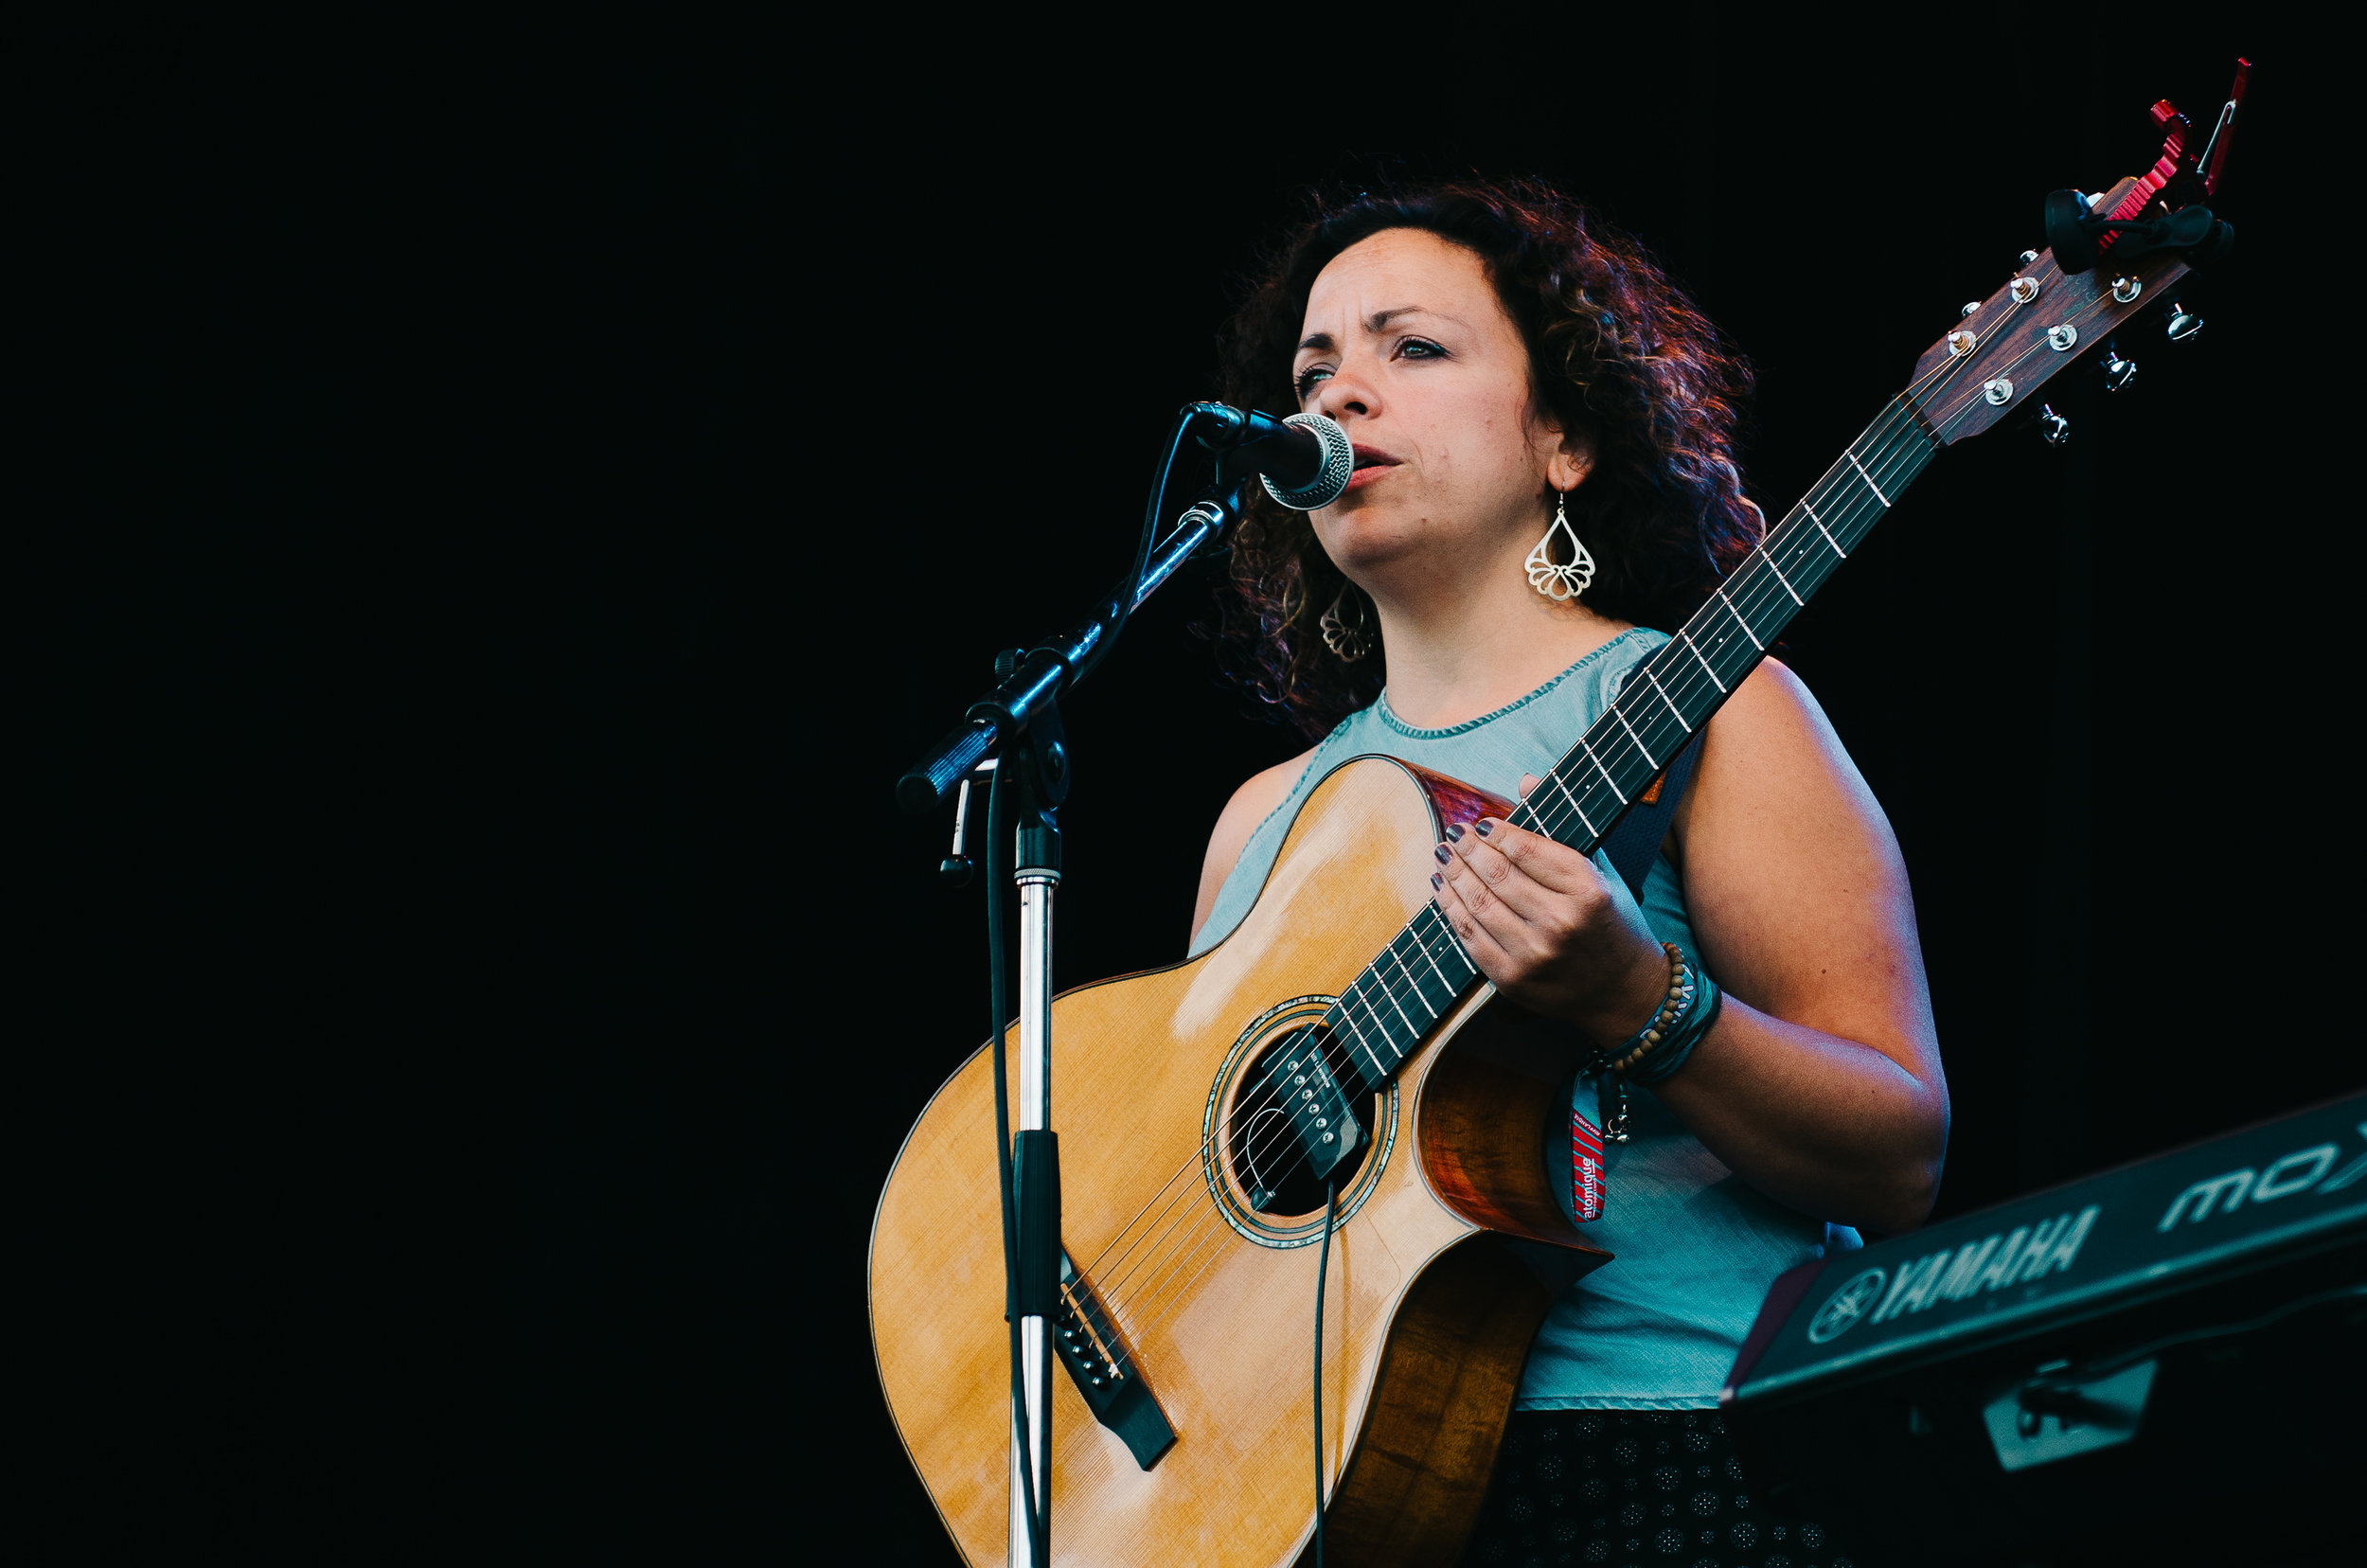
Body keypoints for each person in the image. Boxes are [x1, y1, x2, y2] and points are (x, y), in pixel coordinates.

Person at [1188, 180, 1947, 1568]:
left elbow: (1898, 1154)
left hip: (1673, 1457)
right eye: (1316, 370)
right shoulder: (1261, 826)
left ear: (1566, 440)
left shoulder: (1724, 708)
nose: (1344, 395)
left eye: (1411, 349)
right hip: (1330, 1495)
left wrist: (1641, 1003)